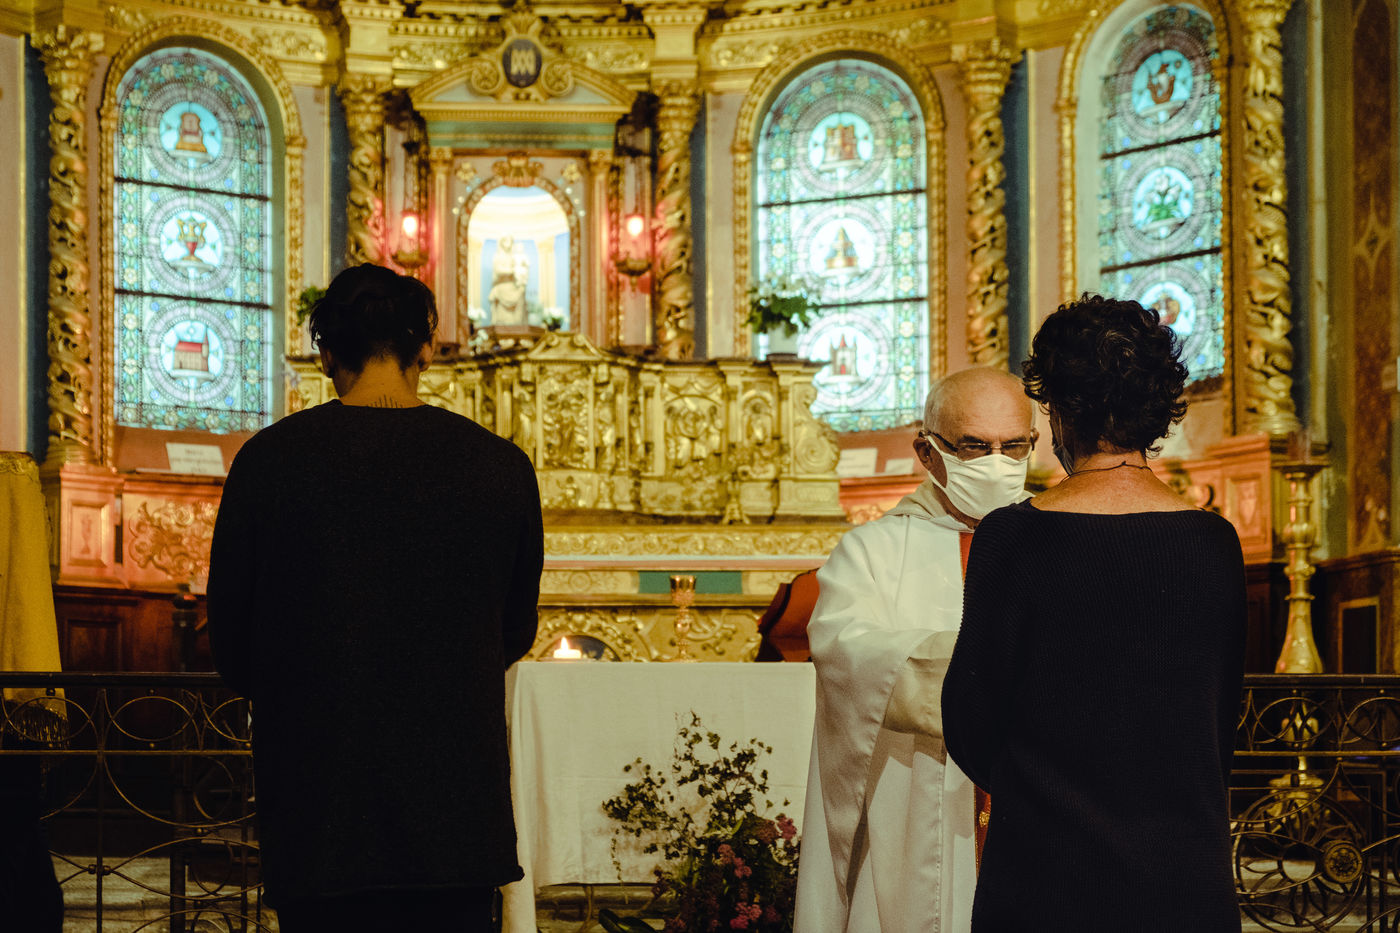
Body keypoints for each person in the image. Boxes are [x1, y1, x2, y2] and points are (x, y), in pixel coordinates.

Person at [207, 264, 543, 931]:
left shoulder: (269, 461)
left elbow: (232, 641)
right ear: (427, 348)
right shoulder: (500, 466)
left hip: (317, 803)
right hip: (453, 812)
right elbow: (514, 629)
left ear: (326, 352)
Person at [941, 294, 1246, 932]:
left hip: (1045, 876)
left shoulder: (1012, 538)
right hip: (1184, 878)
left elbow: (970, 722)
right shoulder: (1214, 542)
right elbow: (1220, 720)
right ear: (1159, 407)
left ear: (1058, 409)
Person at [794, 367, 1037, 933]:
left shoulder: (1063, 539)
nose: (997, 463)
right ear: (927, 452)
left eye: (1013, 446)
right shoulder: (873, 551)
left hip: (1036, 796)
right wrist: (983, 670)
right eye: (974, 446)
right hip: (915, 809)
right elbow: (843, 649)